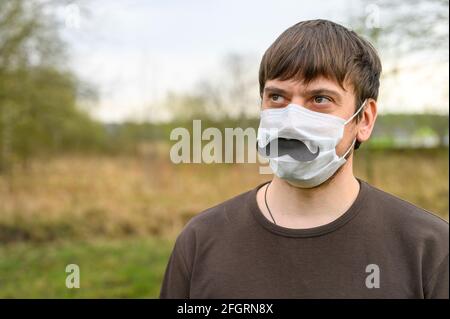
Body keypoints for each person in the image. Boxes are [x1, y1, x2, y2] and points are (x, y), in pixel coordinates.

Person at [160, 19, 449, 299]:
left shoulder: (428, 248)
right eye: (276, 97)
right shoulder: (201, 241)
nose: (291, 121)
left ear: (364, 119)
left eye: (320, 99)